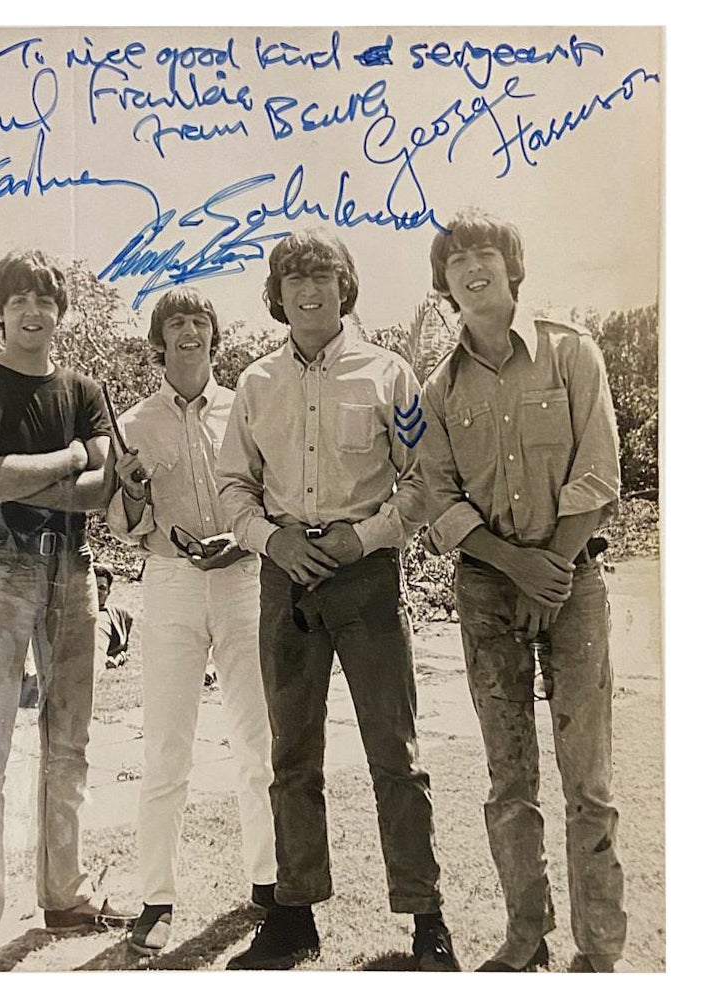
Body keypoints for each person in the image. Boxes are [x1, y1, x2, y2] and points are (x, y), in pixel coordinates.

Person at [216, 229, 458, 972]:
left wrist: (367, 536)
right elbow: (232, 487)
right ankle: (292, 915)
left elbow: (423, 476)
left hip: (364, 576)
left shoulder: (388, 374)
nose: (308, 291)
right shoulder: (255, 383)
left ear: (344, 286)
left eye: (321, 277)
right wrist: (271, 540)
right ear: (277, 293)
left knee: (395, 750)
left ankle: (425, 918)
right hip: (285, 574)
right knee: (291, 753)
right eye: (293, 279)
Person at [417, 208, 627, 972]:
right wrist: (516, 568)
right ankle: (522, 935)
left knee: (587, 775)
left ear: (513, 268)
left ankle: (599, 949)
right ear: (442, 283)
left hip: (573, 583)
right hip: (487, 591)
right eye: (456, 260)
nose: (472, 268)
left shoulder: (573, 353)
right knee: (509, 776)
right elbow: (440, 500)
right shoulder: (435, 387)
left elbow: (600, 473)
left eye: (485, 255)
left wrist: (555, 569)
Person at [0, 250, 131, 971]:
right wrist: (72, 455)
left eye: (44, 300)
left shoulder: (85, 387)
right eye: (18, 299)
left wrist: (37, 476)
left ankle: (64, 892)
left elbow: (102, 491)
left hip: (74, 569)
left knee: (69, 744)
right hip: (0, 568)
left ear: (60, 310)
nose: (33, 311)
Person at [105, 287, 277, 956]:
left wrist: (242, 540)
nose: (188, 331)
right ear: (159, 342)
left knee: (257, 740)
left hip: (242, 580)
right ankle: (157, 899)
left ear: (214, 337)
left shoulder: (246, 405)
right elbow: (124, 527)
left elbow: (268, 494)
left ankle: (267, 883)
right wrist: (134, 491)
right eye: (174, 322)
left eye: (199, 321)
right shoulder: (133, 421)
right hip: (171, 586)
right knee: (166, 748)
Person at [93, 563, 134, 669]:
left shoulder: (112, 616)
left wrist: (117, 658)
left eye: (102, 588)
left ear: (108, 592)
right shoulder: (71, 613)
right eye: (93, 587)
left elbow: (128, 650)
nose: (97, 592)